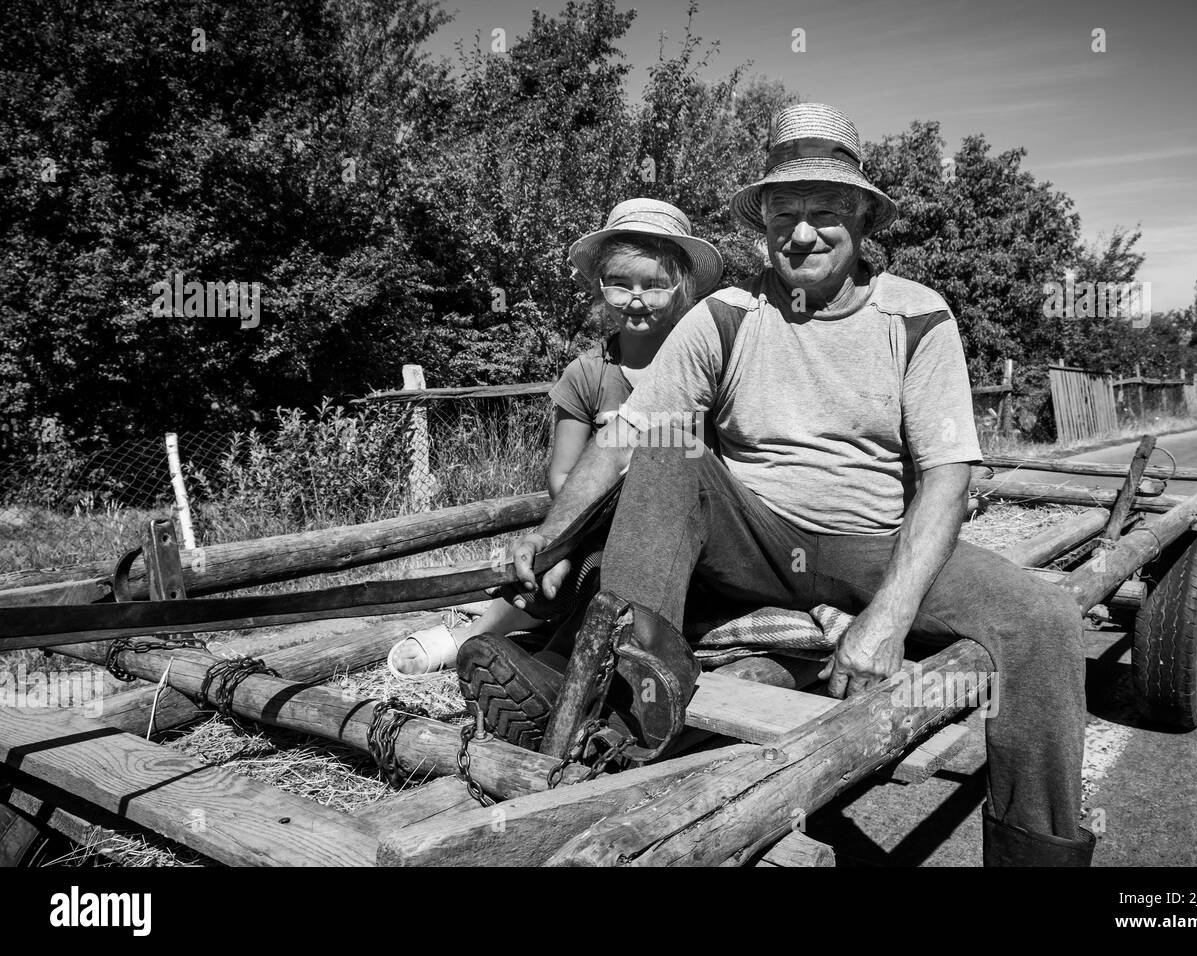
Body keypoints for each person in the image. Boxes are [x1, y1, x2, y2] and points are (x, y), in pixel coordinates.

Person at [465, 103, 1095, 867]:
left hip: (873, 544)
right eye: (784, 212)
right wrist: (547, 539)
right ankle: (638, 693)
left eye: (825, 211)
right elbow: (624, 435)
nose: (802, 233)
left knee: (1044, 618)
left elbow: (947, 478)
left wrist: (888, 618)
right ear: (762, 219)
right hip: (752, 537)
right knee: (670, 444)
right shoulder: (727, 315)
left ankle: (1038, 853)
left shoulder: (918, 316)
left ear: (863, 218)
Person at [387, 198, 723, 681]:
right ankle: (482, 633)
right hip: (594, 522)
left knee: (607, 568)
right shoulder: (588, 374)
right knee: (565, 566)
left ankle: (562, 651)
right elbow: (562, 473)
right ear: (600, 288)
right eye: (620, 285)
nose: (636, 299)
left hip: (683, 525)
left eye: (653, 286)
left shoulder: (703, 364)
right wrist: (577, 527)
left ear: (681, 288)